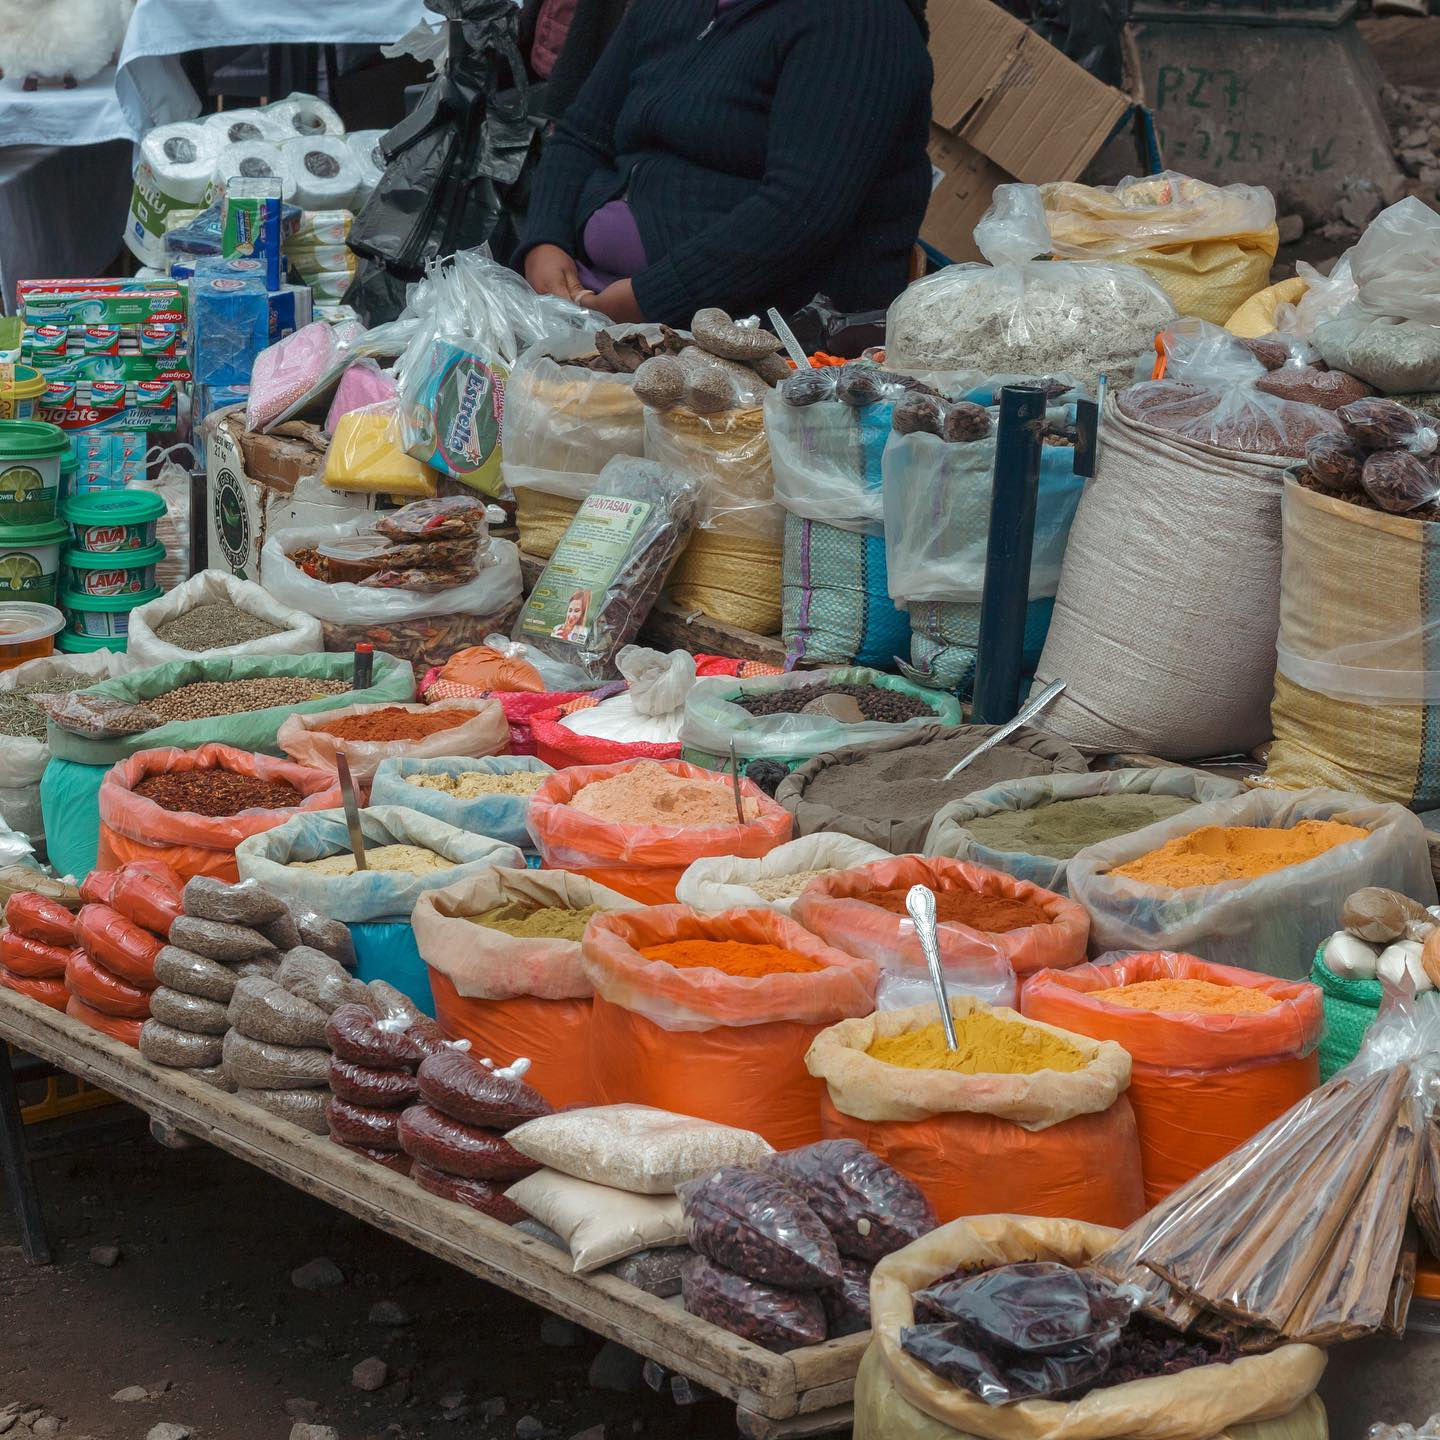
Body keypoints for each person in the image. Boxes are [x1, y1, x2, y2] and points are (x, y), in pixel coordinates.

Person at [516, 0, 933, 327]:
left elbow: (800, 211)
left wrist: (650, 298)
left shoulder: (862, 22)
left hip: (740, 337)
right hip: (587, 295)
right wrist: (544, 240)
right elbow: (583, 133)